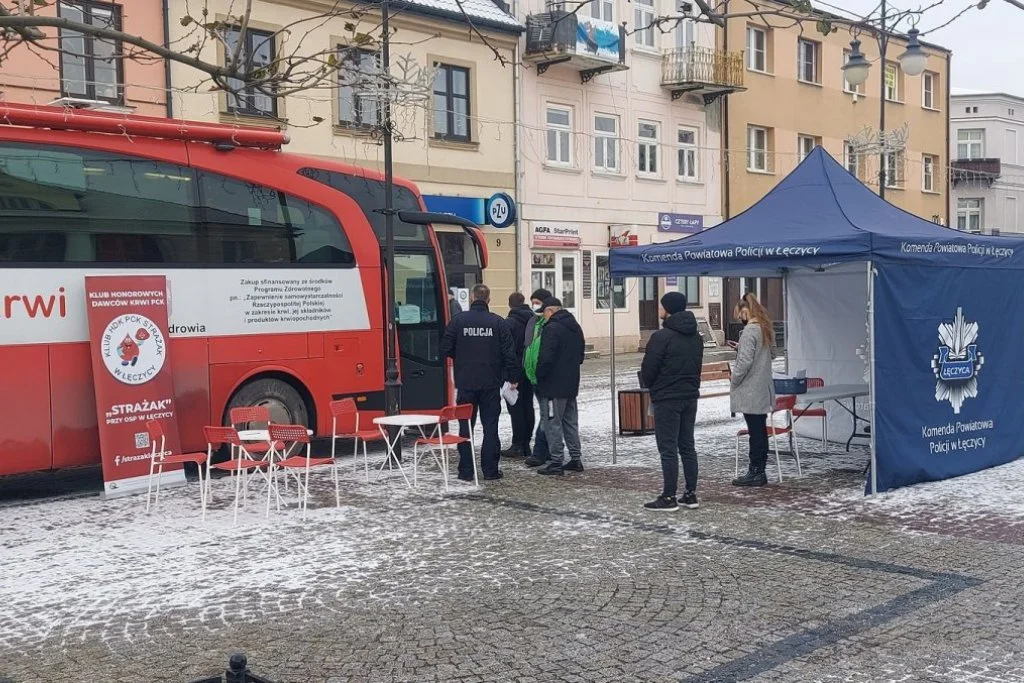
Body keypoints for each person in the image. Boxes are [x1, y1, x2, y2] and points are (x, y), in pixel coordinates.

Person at [441, 284, 519, 481]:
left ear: (473, 297)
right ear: (488, 300)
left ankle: (466, 471)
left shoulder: (458, 321)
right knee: (490, 427)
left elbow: (445, 348)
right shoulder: (498, 323)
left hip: (466, 384)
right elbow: (509, 354)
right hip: (491, 384)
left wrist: (462, 357)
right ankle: (490, 470)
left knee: (465, 427)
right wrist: (513, 377)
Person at [640, 292, 704, 511]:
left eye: (661, 307)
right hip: (689, 396)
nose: (659, 311)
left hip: (667, 398)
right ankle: (690, 493)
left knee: (668, 448)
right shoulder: (696, 336)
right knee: (687, 445)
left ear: (667, 309)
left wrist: (652, 385)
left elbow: (649, 369)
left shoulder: (662, 337)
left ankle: (668, 497)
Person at [534, 297, 586, 476]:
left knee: (552, 422)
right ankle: (575, 458)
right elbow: (580, 356)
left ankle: (556, 461)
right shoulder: (575, 326)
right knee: (570, 422)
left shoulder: (552, 328)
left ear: (550, 311)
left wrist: (539, 377)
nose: (544, 317)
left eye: (544, 313)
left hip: (552, 387)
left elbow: (545, 357)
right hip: (571, 384)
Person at [730, 292, 776, 487]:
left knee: (755, 432)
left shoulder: (750, 331)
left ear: (745, 310)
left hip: (750, 388)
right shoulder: (765, 327)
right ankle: (760, 469)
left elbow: (745, 362)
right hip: (763, 387)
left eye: (740, 314)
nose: (739, 318)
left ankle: (755, 471)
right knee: (760, 431)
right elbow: (772, 354)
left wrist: (734, 379)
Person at [503, 292, 536, 459]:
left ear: (510, 305)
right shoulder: (534, 320)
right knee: (527, 406)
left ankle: (517, 444)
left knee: (515, 408)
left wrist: (510, 374)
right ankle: (526, 444)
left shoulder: (509, 323)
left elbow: (507, 350)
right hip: (530, 369)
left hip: (514, 370)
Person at [523, 288, 552, 468]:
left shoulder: (550, 323)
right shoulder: (532, 321)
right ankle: (549, 448)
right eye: (533, 301)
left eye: (537, 302)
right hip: (533, 376)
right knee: (548, 415)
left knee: (546, 415)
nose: (534, 305)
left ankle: (541, 451)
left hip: (547, 378)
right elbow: (528, 347)